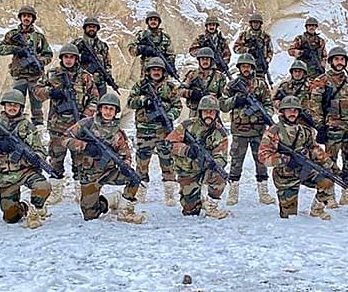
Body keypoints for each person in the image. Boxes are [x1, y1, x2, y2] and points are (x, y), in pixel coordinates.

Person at [0, 89, 51, 229]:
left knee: (43, 187)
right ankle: (23, 207)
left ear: (21, 107)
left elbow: (41, 150)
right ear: (4, 106)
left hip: (26, 171)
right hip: (6, 174)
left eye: (16, 105)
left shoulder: (27, 126)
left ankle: (36, 208)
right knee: (10, 217)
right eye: (9, 104)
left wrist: (35, 158)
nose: (12, 108)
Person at [65, 93, 146, 224]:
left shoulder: (118, 133)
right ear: (100, 109)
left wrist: (125, 165)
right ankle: (111, 200)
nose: (108, 112)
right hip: (89, 175)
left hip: (108, 172)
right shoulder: (86, 124)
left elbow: (126, 155)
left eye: (111, 109)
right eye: (106, 108)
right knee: (90, 215)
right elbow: (65, 138)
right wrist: (84, 146)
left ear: (115, 112)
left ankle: (124, 208)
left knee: (134, 177)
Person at [34, 44, 99, 205]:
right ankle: (56, 191)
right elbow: (37, 92)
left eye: (72, 57)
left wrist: (86, 117)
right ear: (62, 58)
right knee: (56, 159)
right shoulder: (52, 74)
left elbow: (95, 98)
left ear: (76, 59)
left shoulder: (85, 77)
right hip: (58, 126)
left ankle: (80, 191)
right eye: (66, 57)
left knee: (80, 160)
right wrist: (50, 92)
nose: (68, 60)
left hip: (78, 127)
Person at [258, 96, 336, 220]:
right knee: (289, 216)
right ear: (282, 111)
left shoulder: (305, 130)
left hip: (304, 170)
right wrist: (285, 159)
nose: (292, 113)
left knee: (328, 182)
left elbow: (314, 149)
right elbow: (263, 157)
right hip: (285, 176)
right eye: (289, 110)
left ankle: (317, 209)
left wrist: (331, 165)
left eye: (295, 110)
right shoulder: (274, 131)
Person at [307, 47, 348, 208]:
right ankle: (328, 196)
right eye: (336, 59)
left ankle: (347, 193)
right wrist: (319, 126)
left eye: (342, 59)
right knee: (329, 162)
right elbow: (314, 104)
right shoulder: (322, 80)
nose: (339, 62)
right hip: (332, 128)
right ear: (331, 61)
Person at [220, 54, 275, 206]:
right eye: (243, 66)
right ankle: (233, 193)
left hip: (258, 130)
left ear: (252, 68)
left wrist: (266, 115)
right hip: (239, 131)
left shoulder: (261, 85)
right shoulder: (232, 85)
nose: (246, 69)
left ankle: (264, 193)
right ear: (239, 68)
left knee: (261, 161)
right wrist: (236, 100)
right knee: (236, 162)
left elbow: (269, 104)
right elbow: (223, 105)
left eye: (248, 66)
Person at [127, 57, 182, 205]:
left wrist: (169, 115)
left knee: (167, 162)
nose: (156, 72)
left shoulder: (170, 88)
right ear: (148, 71)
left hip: (164, 131)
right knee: (142, 163)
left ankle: (170, 195)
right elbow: (130, 102)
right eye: (153, 70)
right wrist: (144, 100)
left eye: (159, 70)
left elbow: (178, 106)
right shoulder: (140, 86)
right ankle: (140, 193)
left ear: (163, 72)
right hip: (145, 131)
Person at [166, 96, 230, 219]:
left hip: (206, 169)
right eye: (205, 111)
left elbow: (222, 157)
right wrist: (186, 150)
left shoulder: (221, 133)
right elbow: (169, 143)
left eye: (212, 112)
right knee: (190, 211)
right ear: (200, 112)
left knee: (220, 175)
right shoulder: (187, 125)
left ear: (216, 113)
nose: (208, 115)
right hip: (188, 170)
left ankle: (211, 205)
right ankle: (197, 199)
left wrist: (214, 163)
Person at [0, 5, 53, 126]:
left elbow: (49, 55)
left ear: (33, 19)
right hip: (19, 76)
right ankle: (15, 126)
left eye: (29, 16)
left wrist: (40, 60)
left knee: (37, 106)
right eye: (24, 16)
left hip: (35, 77)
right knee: (15, 103)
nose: (26, 18)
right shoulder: (12, 34)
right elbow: (0, 49)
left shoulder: (39, 37)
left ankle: (37, 128)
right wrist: (15, 49)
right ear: (20, 18)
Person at [72, 17, 115, 97]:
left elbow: (107, 64)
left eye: (94, 27)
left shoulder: (102, 46)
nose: (91, 29)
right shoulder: (76, 44)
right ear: (85, 28)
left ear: (97, 29)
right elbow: (69, 60)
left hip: (99, 83)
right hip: (80, 83)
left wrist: (108, 76)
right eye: (89, 27)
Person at [178, 47, 227, 115]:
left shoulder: (219, 77)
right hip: (195, 113)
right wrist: (191, 93)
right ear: (199, 60)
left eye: (207, 59)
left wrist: (213, 99)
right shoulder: (192, 74)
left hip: (212, 114)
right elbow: (179, 91)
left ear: (211, 61)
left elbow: (224, 96)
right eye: (202, 59)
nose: (205, 61)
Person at [127, 11, 176, 78]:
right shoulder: (141, 35)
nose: (153, 21)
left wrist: (171, 66)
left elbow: (171, 54)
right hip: (146, 70)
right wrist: (142, 48)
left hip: (161, 71)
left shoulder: (165, 37)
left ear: (159, 22)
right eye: (151, 19)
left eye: (155, 19)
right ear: (147, 22)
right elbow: (131, 50)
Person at [232, 13, 273, 81]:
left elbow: (270, 52)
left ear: (260, 24)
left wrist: (266, 61)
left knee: (260, 85)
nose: (255, 24)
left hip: (260, 66)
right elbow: (236, 48)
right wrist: (247, 50)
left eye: (257, 22)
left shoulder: (265, 37)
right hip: (246, 65)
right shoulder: (244, 35)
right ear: (251, 23)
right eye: (254, 22)